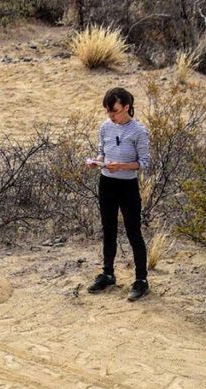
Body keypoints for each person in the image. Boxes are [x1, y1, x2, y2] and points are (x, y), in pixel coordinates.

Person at [86, 87, 152, 302]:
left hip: (127, 186)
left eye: (114, 111)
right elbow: (102, 151)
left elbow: (143, 163)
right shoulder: (105, 127)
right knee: (108, 229)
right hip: (106, 183)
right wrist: (97, 162)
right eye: (108, 111)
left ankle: (141, 280)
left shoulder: (139, 131)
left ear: (126, 107)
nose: (111, 116)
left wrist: (122, 166)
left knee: (133, 231)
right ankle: (107, 273)